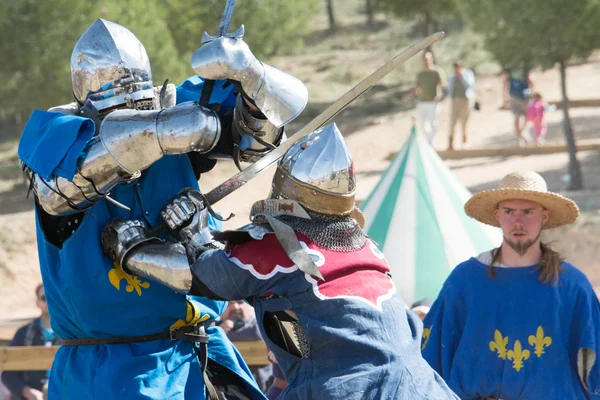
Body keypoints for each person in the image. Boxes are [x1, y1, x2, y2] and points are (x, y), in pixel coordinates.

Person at [17, 18, 307, 399]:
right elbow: (58, 191)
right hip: (111, 372)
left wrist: (247, 72)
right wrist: (175, 129)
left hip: (205, 354)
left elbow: (267, 127)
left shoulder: (177, 109)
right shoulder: (56, 138)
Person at [100, 123, 459, 399]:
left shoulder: (278, 250)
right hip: (422, 388)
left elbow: (204, 275)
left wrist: (138, 247)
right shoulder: (368, 248)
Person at [421, 170, 600, 399]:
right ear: (497, 215)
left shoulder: (572, 286)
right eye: (509, 211)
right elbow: (428, 359)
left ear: (544, 217)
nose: (518, 221)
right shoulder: (465, 281)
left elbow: (595, 371)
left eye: (528, 212)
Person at [2, 284, 60, 400]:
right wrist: (27, 392)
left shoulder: (71, 334)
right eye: (44, 298)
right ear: (37, 303)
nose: (49, 301)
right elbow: (8, 374)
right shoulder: (24, 333)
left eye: (53, 296)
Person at [218, 301, 273, 392]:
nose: (235, 307)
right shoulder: (212, 327)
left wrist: (221, 335)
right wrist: (220, 329)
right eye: (230, 303)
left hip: (262, 389)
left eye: (240, 302)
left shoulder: (258, 323)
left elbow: (256, 333)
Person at [404, 52, 446, 145]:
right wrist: (409, 95)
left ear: (431, 59)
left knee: (433, 123)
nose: (426, 61)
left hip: (433, 102)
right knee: (423, 124)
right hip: (422, 102)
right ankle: (428, 142)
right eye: (424, 60)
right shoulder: (421, 74)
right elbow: (418, 88)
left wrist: (442, 98)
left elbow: (443, 85)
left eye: (428, 59)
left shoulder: (436, 71)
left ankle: (432, 144)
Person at [446, 61, 476, 151]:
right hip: (455, 100)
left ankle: (464, 142)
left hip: (465, 100)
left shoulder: (467, 74)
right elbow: (449, 88)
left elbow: (470, 85)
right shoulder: (452, 76)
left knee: (464, 121)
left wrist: (461, 77)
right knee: (452, 121)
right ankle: (450, 144)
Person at [504, 68, 533, 146]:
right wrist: (532, 92)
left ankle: (520, 137)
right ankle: (523, 132)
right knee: (527, 118)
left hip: (513, 96)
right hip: (524, 97)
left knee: (516, 117)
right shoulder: (524, 68)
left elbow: (505, 82)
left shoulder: (510, 68)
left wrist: (505, 96)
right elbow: (530, 81)